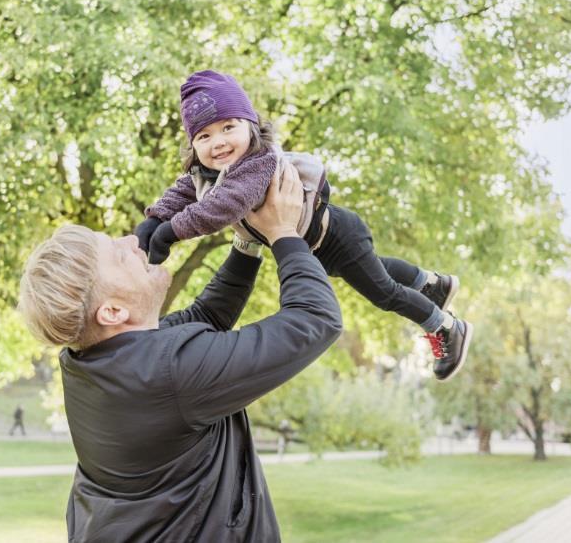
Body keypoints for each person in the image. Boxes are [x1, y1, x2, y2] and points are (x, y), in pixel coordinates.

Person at [18, 164, 342, 542]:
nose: (133, 242)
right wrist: (284, 234)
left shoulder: (91, 360)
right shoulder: (168, 373)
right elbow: (316, 320)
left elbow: (204, 317)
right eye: (119, 256)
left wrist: (248, 241)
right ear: (112, 312)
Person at [136, 70, 473, 381]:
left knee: (383, 292)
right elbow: (181, 192)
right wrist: (154, 219)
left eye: (228, 128)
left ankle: (445, 326)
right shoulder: (206, 172)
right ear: (194, 146)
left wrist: (172, 231)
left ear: (251, 127)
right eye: (204, 136)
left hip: (337, 234)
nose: (218, 141)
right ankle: (432, 284)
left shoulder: (258, 162)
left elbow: (222, 207)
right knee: (375, 269)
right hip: (316, 246)